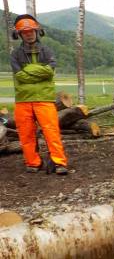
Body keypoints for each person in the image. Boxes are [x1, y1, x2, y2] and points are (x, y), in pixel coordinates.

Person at [10, 14, 68, 175]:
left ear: (37, 32)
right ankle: (32, 163)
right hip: (23, 100)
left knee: (52, 132)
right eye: (25, 32)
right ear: (19, 34)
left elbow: (50, 72)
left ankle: (59, 163)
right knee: (26, 134)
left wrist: (28, 70)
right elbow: (19, 75)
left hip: (45, 99)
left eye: (31, 31)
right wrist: (41, 71)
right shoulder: (15, 54)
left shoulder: (47, 50)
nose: (29, 34)